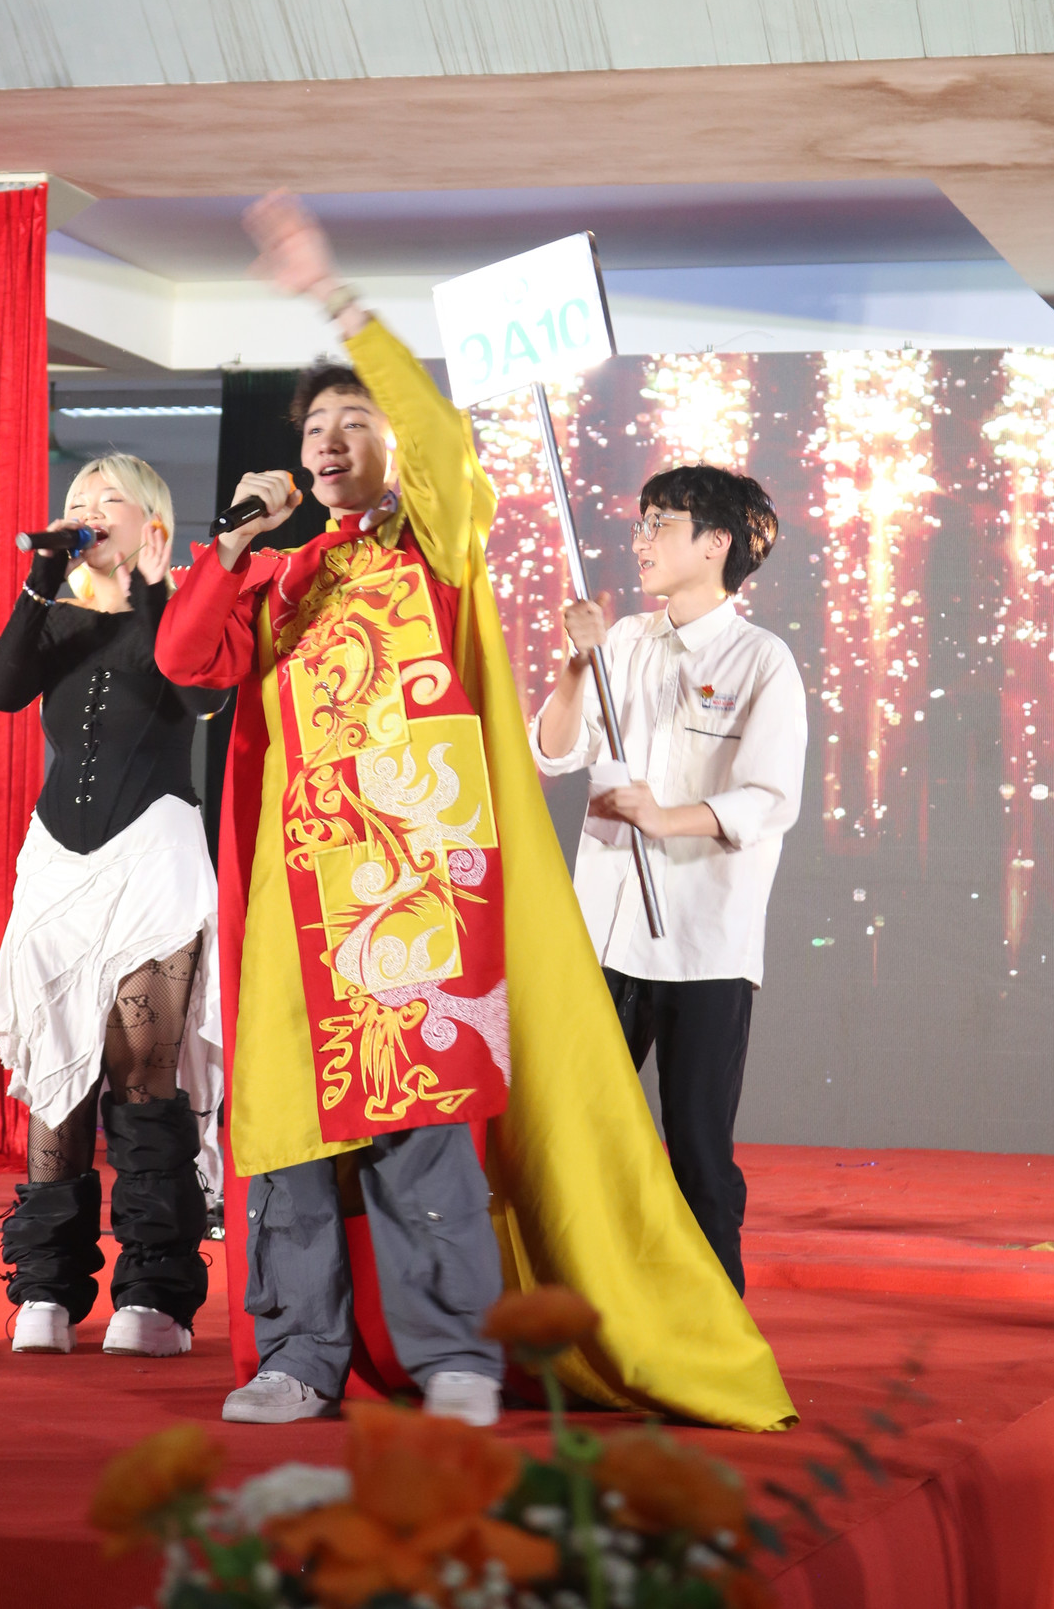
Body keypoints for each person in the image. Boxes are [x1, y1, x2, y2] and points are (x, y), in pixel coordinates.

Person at [155, 193, 798, 1437]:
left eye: (355, 422)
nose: (330, 442)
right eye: (315, 428)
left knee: (420, 1134)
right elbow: (187, 659)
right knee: (286, 1136)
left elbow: (447, 447)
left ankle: (453, 1351)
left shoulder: (435, 552)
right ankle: (297, 1356)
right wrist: (229, 548)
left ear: (394, 445)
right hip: (295, 906)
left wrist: (335, 299)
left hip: (412, 902)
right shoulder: (281, 578)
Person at [531, 466, 807, 1296]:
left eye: (662, 522)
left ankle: (715, 1325)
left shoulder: (762, 659)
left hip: (702, 944)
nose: (641, 538)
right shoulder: (622, 640)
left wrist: (666, 816)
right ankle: (583, 1318)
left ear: (717, 542)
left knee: (696, 1149)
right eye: (641, 520)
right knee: (579, 1140)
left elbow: (770, 799)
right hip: (605, 937)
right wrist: (578, 663)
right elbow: (553, 750)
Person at [0, 455, 224, 1355]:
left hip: (152, 851)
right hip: (57, 859)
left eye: (106, 499)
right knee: (57, 1061)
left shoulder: (184, 604)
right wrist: (40, 578)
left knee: (139, 1070)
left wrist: (157, 589)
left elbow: (202, 693)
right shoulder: (61, 613)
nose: (86, 510)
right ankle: (46, 1286)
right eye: (76, 499)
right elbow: (2, 689)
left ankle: (154, 1291)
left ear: (149, 519)